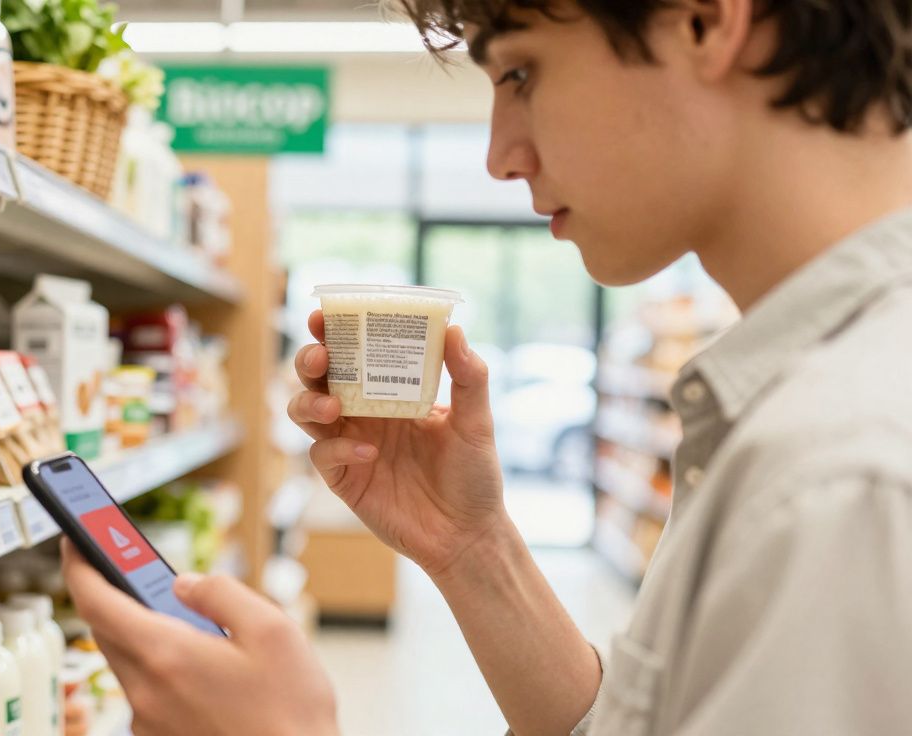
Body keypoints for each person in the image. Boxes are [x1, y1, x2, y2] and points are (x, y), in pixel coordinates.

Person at [61, 0, 912, 733]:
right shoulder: (804, 411)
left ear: (703, 20)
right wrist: (472, 548)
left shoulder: (844, 472)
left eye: (521, 75)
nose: (501, 155)